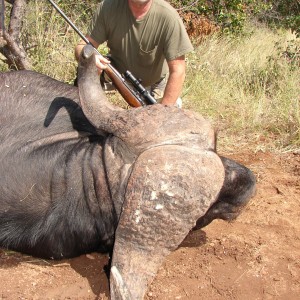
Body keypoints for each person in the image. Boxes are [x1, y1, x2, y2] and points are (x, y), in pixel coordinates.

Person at [75, 0, 193, 107]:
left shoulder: (169, 17)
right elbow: (82, 47)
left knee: (166, 118)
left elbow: (178, 70)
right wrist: (90, 58)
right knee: (82, 87)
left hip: (153, 84)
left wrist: (165, 111)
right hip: (115, 74)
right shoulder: (107, 7)